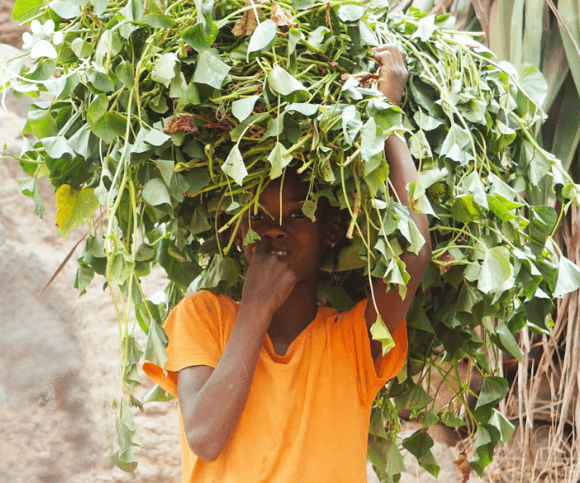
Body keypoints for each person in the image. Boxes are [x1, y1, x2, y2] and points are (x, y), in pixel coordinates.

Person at [143, 44, 432, 482]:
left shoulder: (353, 341)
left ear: (331, 233)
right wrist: (256, 308)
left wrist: (385, 118)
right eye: (259, 217)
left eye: (297, 214)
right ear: (241, 230)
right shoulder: (204, 318)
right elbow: (204, 435)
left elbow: (414, 252)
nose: (275, 229)